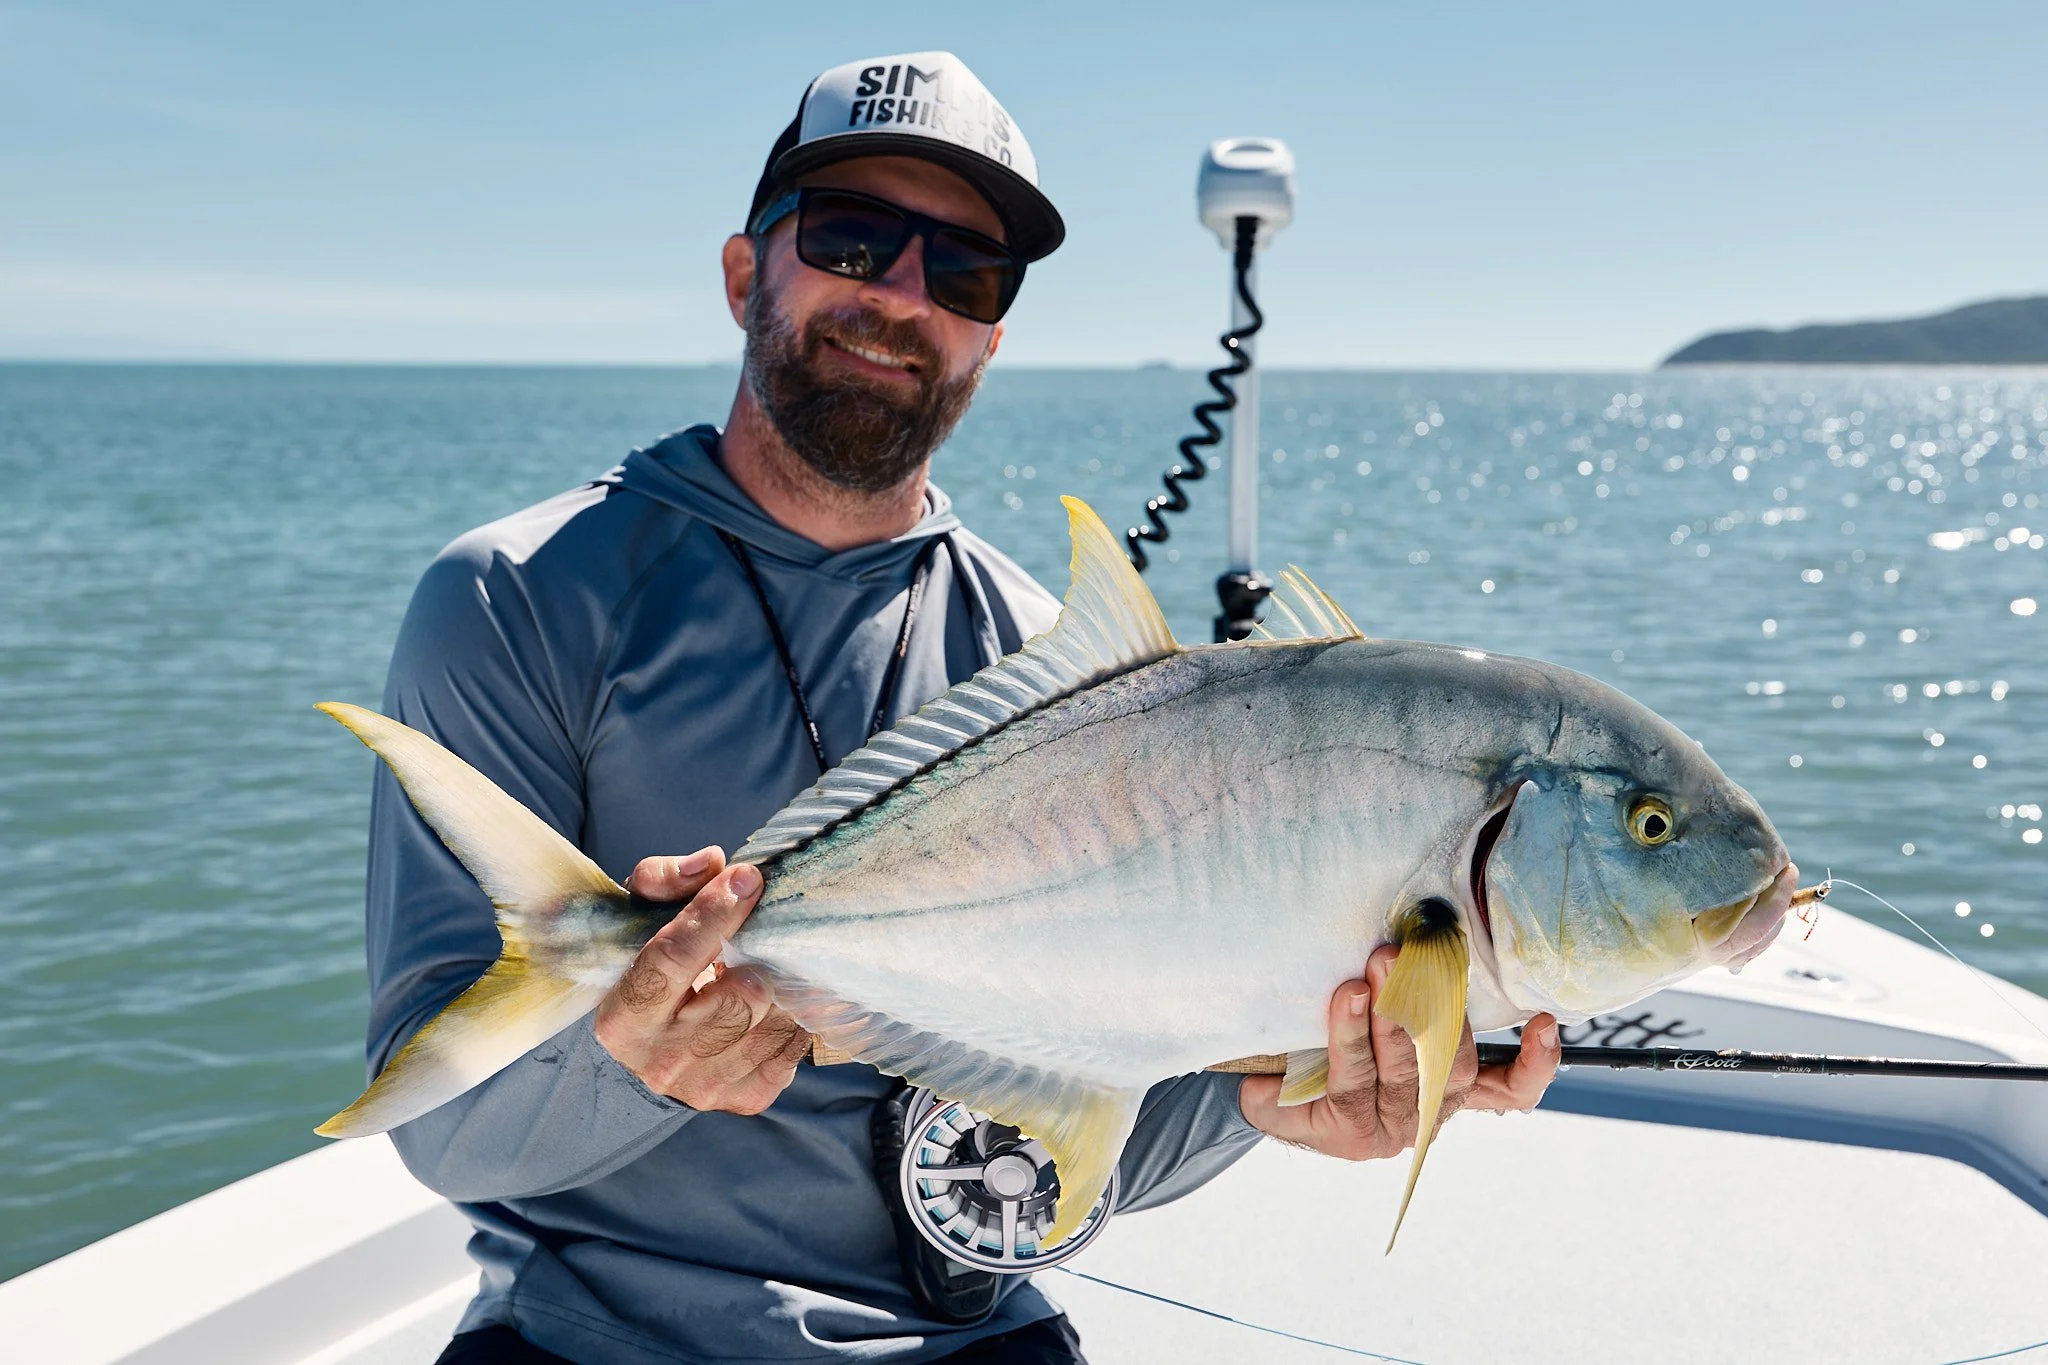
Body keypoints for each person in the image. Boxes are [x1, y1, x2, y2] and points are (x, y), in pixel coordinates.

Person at [358, 50, 1562, 1365]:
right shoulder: (522, 599)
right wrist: (626, 1060)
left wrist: (1281, 1097)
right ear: (743, 272)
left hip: (969, 1339)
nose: (901, 298)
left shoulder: (1059, 670)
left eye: (966, 274)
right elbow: (448, 1128)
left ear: (991, 340)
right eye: (853, 239)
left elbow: (1090, 1135)